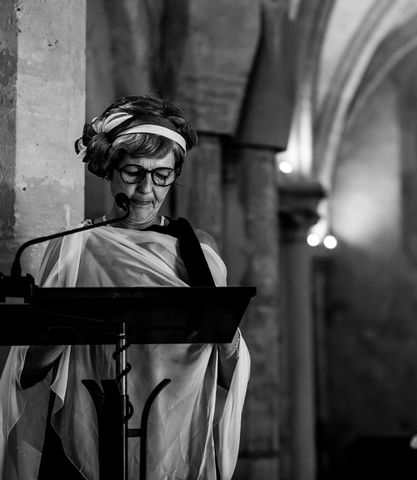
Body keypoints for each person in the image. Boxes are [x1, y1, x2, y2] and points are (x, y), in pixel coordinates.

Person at [0, 95, 250, 480]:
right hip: (92, 428)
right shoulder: (73, 247)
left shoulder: (199, 252)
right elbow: (27, 371)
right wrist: (65, 329)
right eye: (134, 172)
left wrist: (228, 337)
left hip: (177, 437)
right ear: (109, 171)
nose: (146, 189)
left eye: (162, 175)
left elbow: (227, 372)